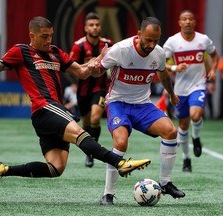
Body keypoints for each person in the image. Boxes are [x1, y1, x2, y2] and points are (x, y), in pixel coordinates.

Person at [0, 16, 151, 183]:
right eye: (44, 36)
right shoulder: (21, 51)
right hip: (45, 108)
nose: (48, 40)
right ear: (31, 35)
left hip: (51, 114)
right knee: (80, 133)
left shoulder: (55, 52)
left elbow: (82, 73)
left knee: (55, 168)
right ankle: (120, 163)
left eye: (50, 36)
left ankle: (3, 169)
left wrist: (98, 62)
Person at [88, 16, 186, 205]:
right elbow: (98, 71)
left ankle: (165, 183)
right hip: (117, 103)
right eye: (148, 39)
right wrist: (94, 67)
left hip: (142, 105)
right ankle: (107, 194)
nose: (151, 44)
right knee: (121, 142)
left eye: (155, 40)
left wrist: (172, 94)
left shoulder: (158, 53)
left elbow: (163, 75)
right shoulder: (121, 50)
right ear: (139, 34)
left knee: (170, 131)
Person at [163, 10, 219, 172]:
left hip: (198, 85)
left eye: (190, 19)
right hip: (180, 89)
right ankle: (186, 159)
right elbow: (160, 63)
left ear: (194, 22)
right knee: (183, 125)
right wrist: (174, 67)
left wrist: (213, 70)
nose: (187, 22)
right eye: (184, 19)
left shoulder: (203, 40)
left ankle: (196, 137)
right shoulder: (172, 42)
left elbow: (214, 56)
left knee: (196, 114)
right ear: (179, 22)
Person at [69, 12, 114, 167]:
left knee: (95, 118)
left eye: (97, 25)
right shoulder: (78, 46)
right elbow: (71, 68)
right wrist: (90, 65)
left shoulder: (108, 44)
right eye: (91, 25)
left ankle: (92, 153)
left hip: (101, 88)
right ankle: (89, 150)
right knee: (86, 124)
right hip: (83, 91)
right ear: (85, 28)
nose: (95, 28)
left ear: (100, 26)